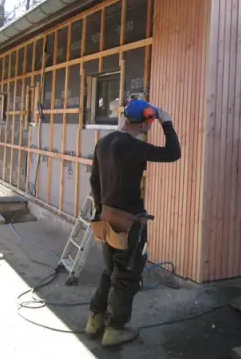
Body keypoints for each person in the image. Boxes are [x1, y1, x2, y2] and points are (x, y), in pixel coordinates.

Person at [85, 99, 181, 347]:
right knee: (125, 277)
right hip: (130, 222)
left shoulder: (103, 143)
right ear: (147, 122)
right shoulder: (135, 147)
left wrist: (99, 210)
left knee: (110, 271)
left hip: (106, 217)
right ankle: (115, 331)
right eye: (151, 121)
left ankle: (95, 320)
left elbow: (95, 181)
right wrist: (167, 123)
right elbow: (173, 153)